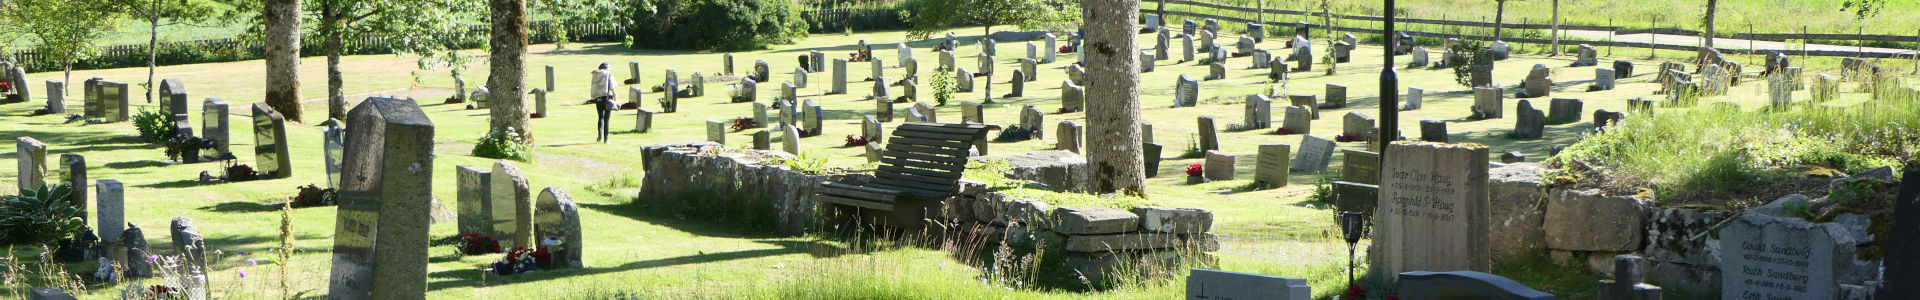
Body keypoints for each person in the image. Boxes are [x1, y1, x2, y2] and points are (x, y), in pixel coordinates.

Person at [590, 63, 616, 143]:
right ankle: (606, 139)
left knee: (600, 117)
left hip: (598, 98)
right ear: (606, 68)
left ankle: (599, 137)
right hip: (607, 98)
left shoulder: (595, 75)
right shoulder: (608, 75)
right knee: (606, 119)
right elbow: (613, 88)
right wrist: (616, 100)